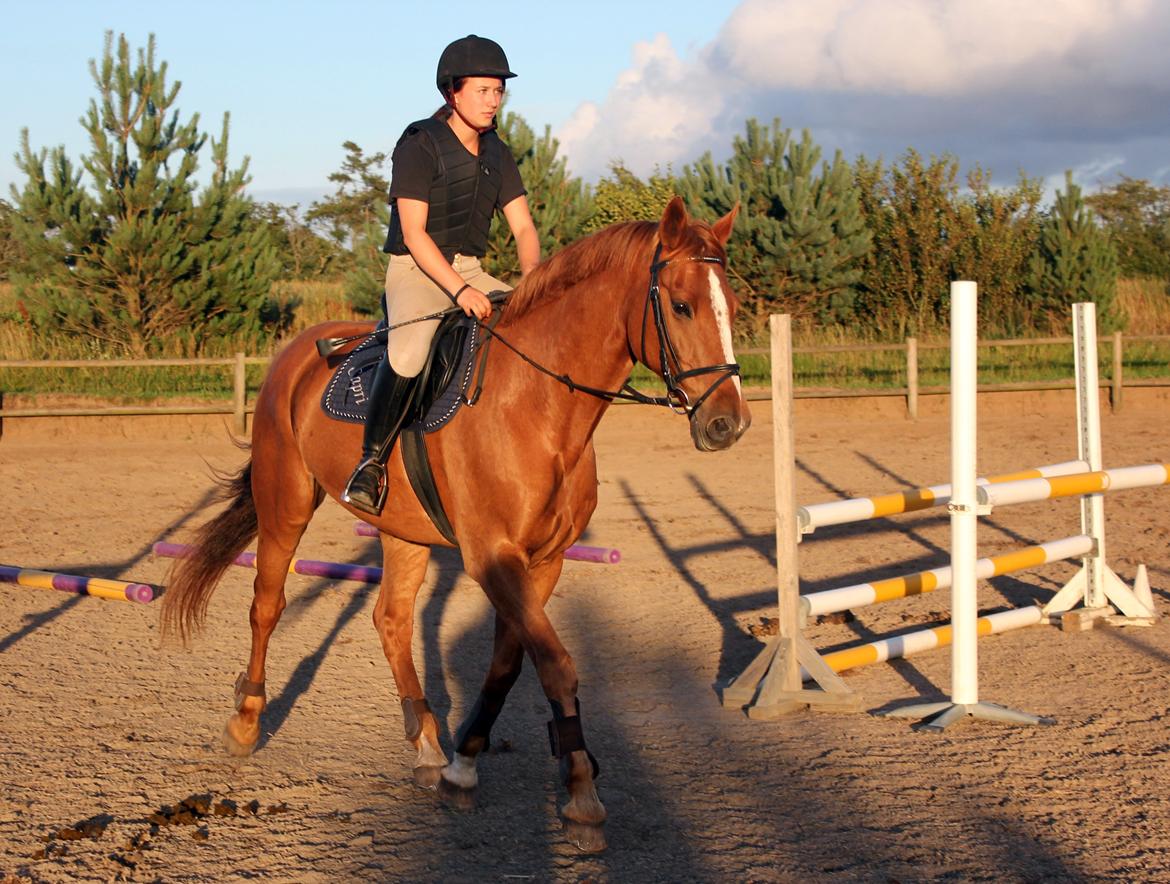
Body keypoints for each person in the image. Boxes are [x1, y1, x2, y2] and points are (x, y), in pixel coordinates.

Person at [342, 34, 540, 516]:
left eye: (499, 91)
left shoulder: (499, 154)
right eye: (483, 90)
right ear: (452, 91)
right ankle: (370, 463)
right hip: (418, 270)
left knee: (534, 328)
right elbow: (413, 233)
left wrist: (535, 279)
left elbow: (523, 227)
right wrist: (459, 289)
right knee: (409, 353)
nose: (493, 101)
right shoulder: (420, 143)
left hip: (471, 269)